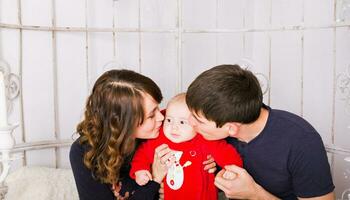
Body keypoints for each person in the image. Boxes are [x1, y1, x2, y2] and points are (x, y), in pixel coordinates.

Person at [186, 64, 335, 200]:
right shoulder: (217, 127)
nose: (190, 122)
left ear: (232, 128)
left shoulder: (301, 141)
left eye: (198, 121)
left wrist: (254, 194)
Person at [69, 69, 175, 200]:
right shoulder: (84, 152)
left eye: (158, 108)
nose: (161, 117)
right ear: (123, 124)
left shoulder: (169, 125)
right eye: (151, 115)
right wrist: (155, 179)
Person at [129, 93, 242, 200]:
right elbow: (141, 155)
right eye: (169, 120)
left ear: (195, 123)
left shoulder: (205, 139)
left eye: (182, 123)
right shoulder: (159, 140)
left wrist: (232, 170)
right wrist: (140, 170)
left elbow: (227, 153)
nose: (174, 127)